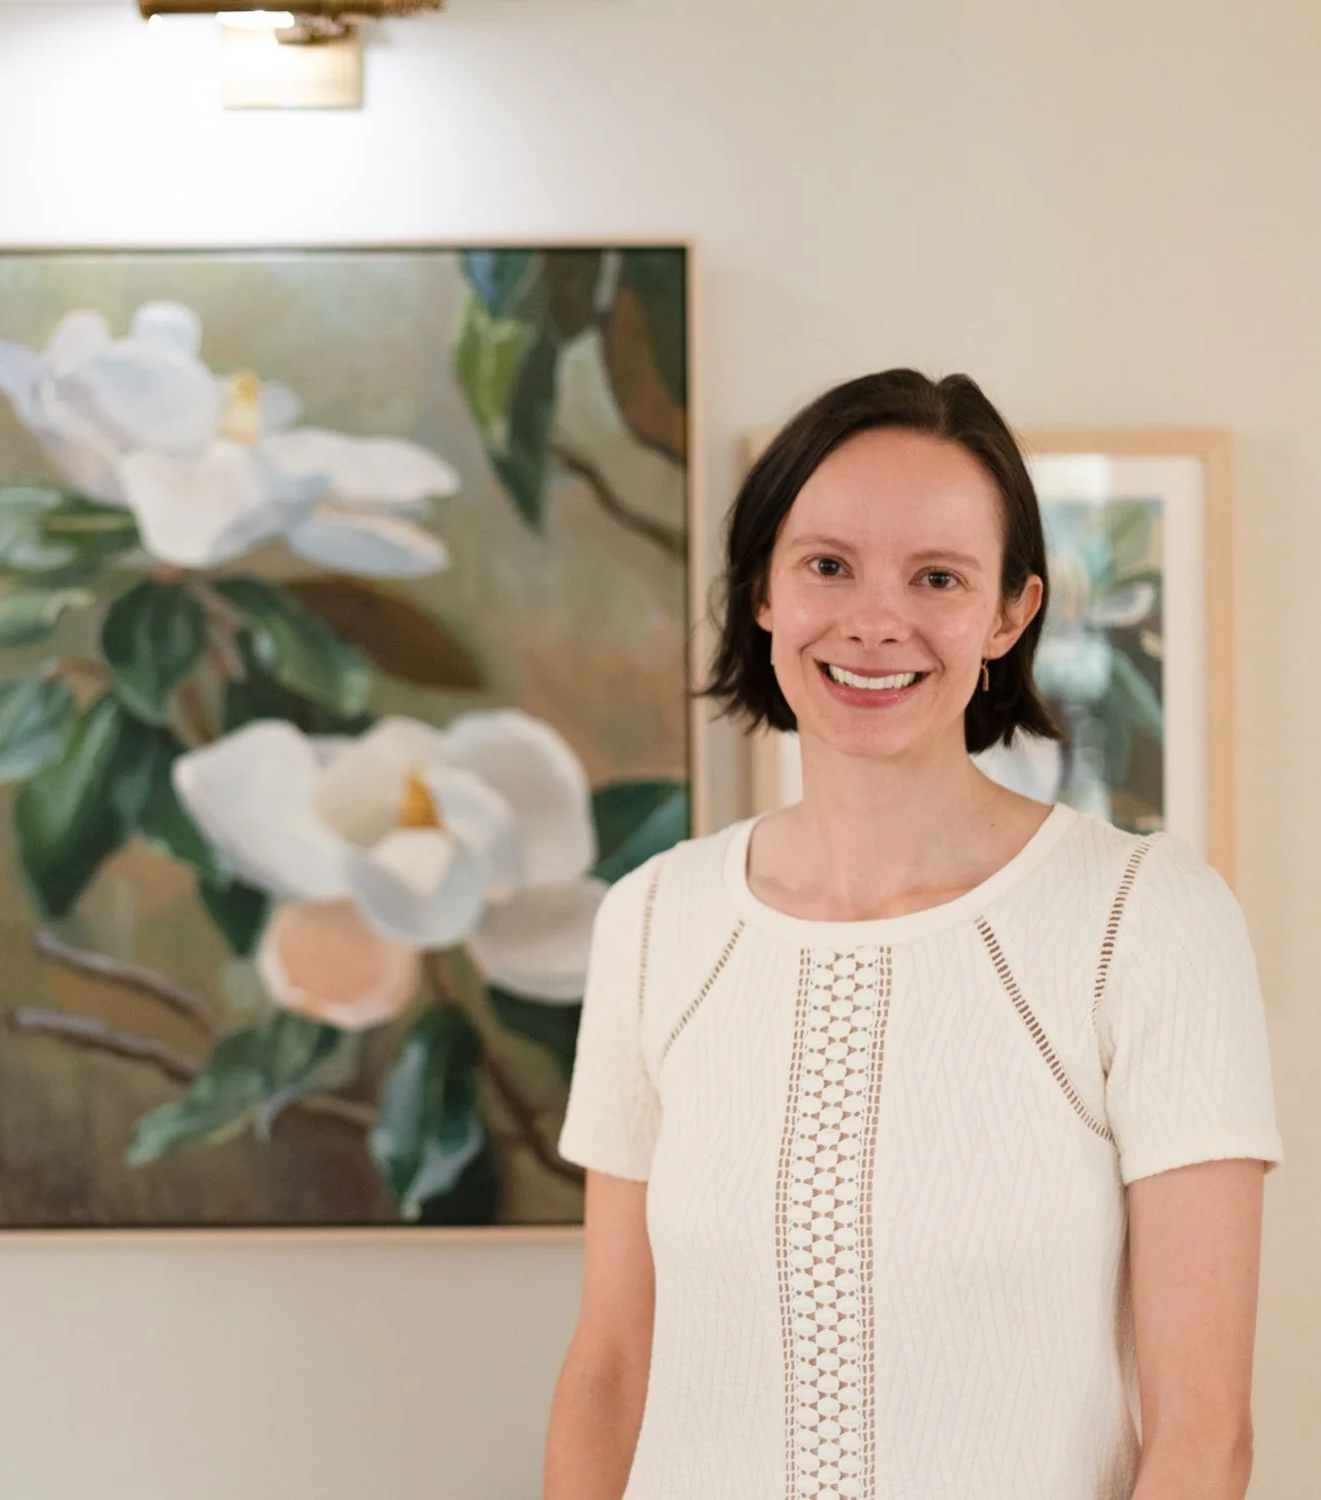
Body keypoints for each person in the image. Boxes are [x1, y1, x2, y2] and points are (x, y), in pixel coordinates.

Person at [544, 370, 1283, 1500]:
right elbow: (608, 1372)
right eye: (826, 565)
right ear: (760, 589)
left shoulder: (1144, 917)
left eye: (936, 577)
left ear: (1009, 615)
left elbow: (1204, 1432)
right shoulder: (651, 919)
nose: (874, 620)